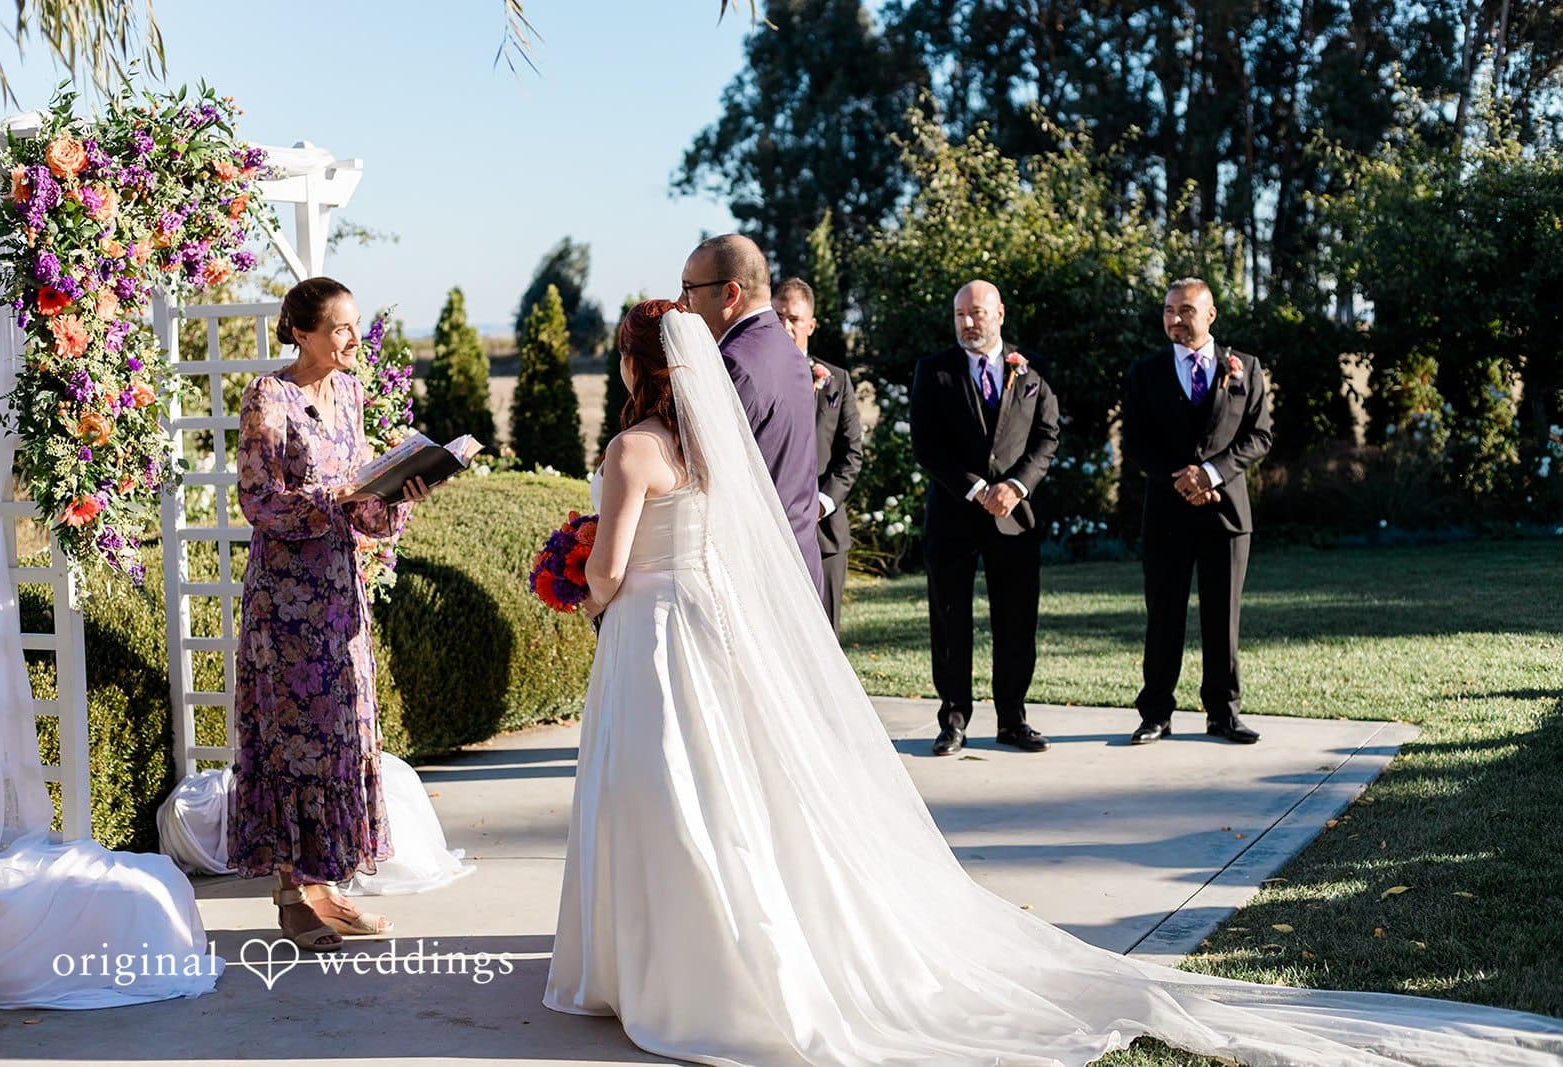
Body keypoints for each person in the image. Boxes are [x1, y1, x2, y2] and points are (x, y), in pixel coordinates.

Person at [542, 300, 1563, 1066]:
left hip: (652, 635)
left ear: (634, 367)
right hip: (709, 635)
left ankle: (651, 963)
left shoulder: (633, 447)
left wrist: (575, 582)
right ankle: (702, 954)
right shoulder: (709, 455)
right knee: (709, 794)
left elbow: (608, 574)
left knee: (657, 793)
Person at [228, 277, 434, 952]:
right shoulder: (268, 396)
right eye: (339, 327)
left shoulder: (349, 393)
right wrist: (334, 494)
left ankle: (327, 886)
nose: (352, 338)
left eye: (354, 325)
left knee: (343, 734)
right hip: (285, 605)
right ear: (302, 333)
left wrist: (398, 493)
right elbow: (259, 503)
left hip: (340, 593)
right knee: (294, 741)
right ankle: (294, 897)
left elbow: (364, 509)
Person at [909, 279, 1060, 757]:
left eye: (976, 313)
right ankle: (952, 721)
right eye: (959, 315)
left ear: (999, 314)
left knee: (1016, 621)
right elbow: (926, 446)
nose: (968, 322)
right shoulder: (934, 371)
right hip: (954, 516)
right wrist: (977, 489)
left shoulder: (1031, 371)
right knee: (951, 621)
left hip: (1014, 518)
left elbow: (1047, 436)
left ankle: (1013, 719)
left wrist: (1015, 487)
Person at [1123, 278, 1272, 747]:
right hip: (1167, 513)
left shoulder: (1244, 368)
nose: (1174, 318)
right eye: (1168, 310)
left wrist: (1210, 475)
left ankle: (1223, 714)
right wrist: (1183, 479)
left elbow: (1259, 436)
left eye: (1185, 310)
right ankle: (1155, 714)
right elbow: (1137, 442)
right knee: (1163, 614)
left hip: (1226, 515)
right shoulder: (1145, 372)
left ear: (1210, 315)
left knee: (1222, 617)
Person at [677, 233, 822, 592]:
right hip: (800, 557)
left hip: (759, 574)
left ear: (730, 293)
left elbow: (706, 472)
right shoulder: (787, 351)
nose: (681, 303)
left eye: (689, 288)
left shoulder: (734, 363)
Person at [772, 277, 863, 632]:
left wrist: (822, 503)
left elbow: (851, 453)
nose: (785, 326)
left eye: (793, 319)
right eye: (777, 316)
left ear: (810, 325)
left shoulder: (836, 380)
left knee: (824, 639)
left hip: (824, 535)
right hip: (768, 529)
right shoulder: (752, 377)